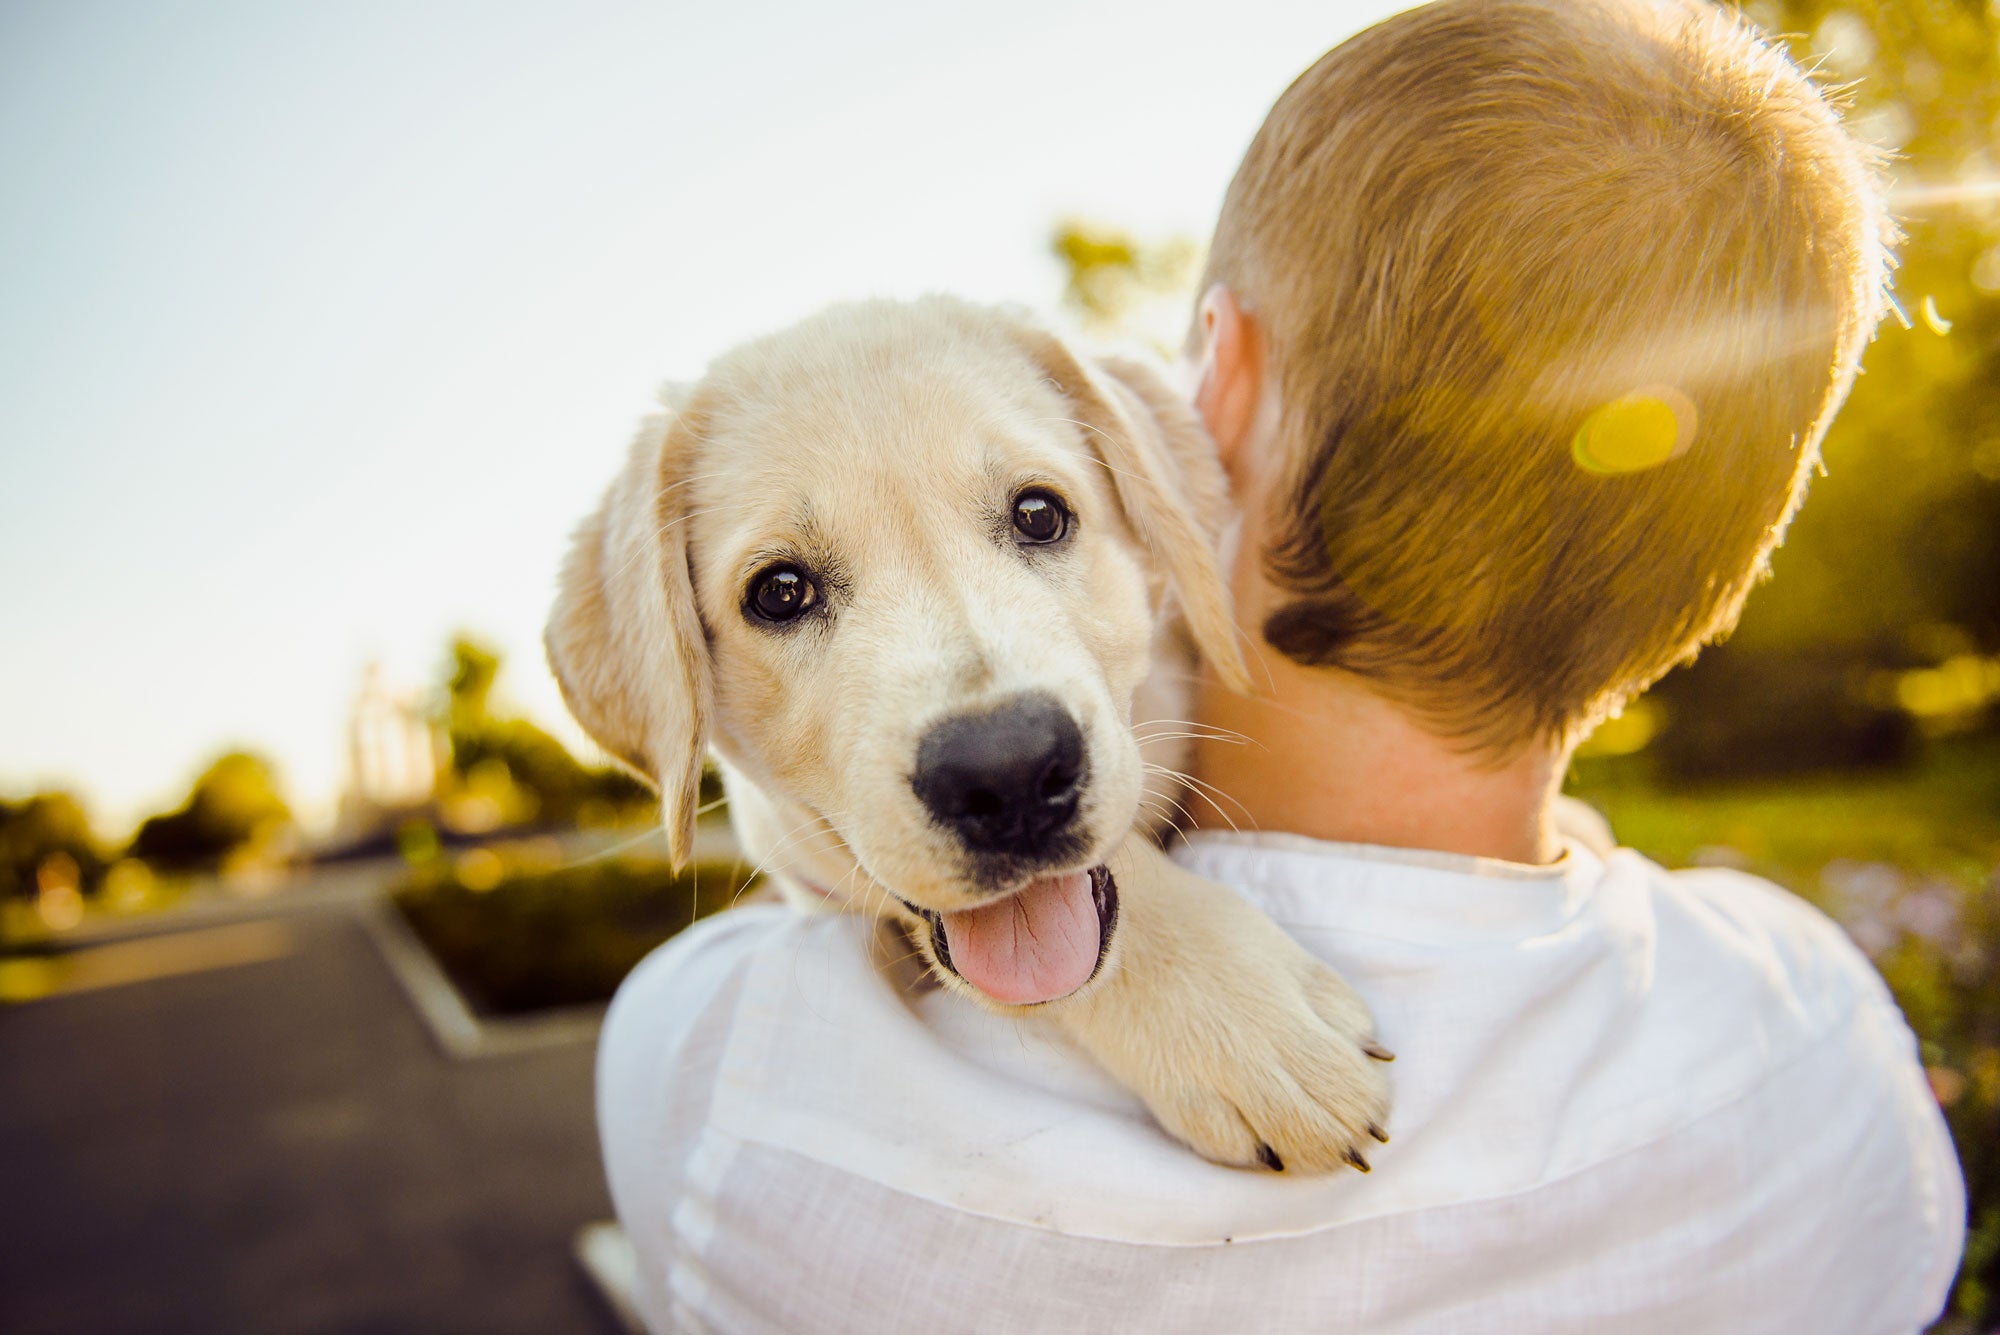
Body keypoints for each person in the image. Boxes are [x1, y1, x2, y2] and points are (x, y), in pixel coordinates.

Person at [596, 1, 1966, 1329]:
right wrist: (1138, 938)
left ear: (1215, 398)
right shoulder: (1823, 1038)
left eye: (1036, 518)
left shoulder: (723, 1077)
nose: (990, 717)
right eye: (786, 592)